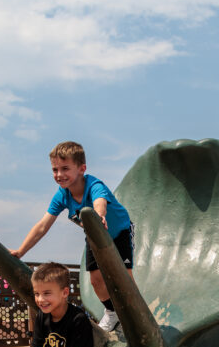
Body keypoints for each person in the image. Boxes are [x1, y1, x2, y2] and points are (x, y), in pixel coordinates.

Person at [10, 141, 134, 332]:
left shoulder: (94, 185)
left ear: (82, 168)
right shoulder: (62, 196)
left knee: (125, 277)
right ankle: (112, 312)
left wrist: (98, 216)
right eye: (55, 170)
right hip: (94, 235)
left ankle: (134, 313)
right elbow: (43, 226)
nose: (59, 175)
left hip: (119, 232)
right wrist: (20, 251)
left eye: (65, 168)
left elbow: (100, 202)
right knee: (96, 280)